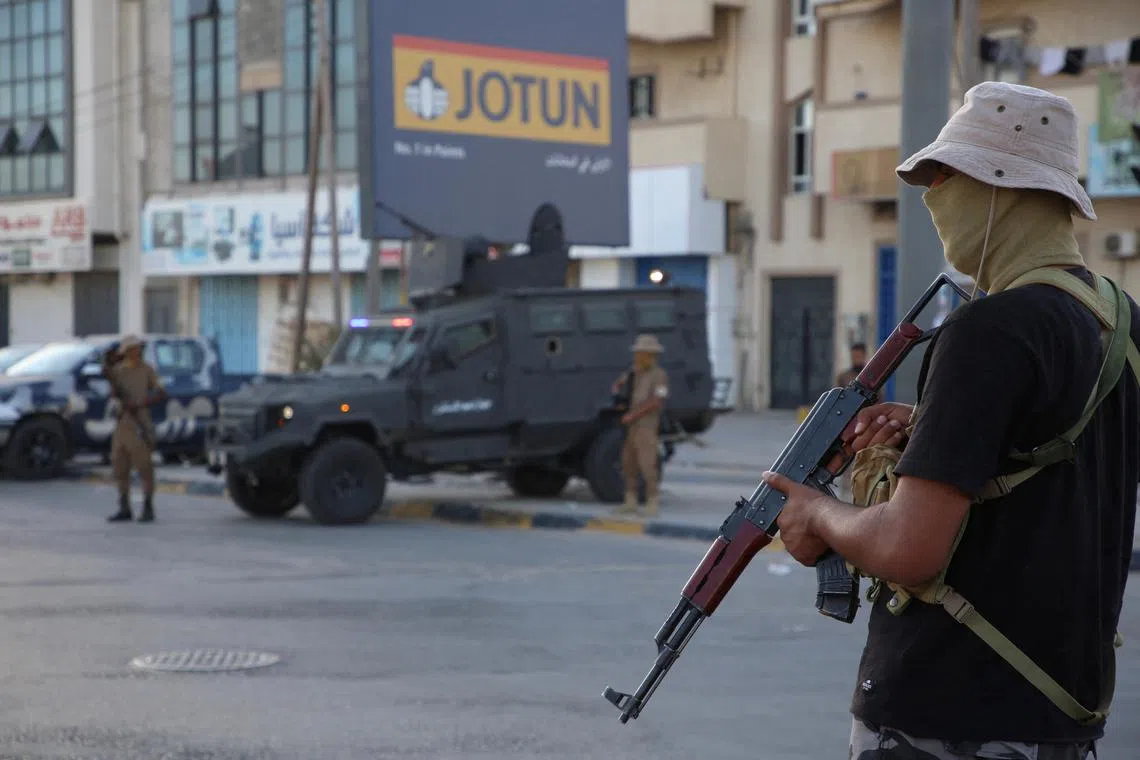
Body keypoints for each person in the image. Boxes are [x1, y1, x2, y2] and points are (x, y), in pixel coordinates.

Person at [762, 81, 1138, 759]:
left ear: (1001, 184)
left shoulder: (988, 329)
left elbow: (910, 549)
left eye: (945, 175)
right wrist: (935, 424)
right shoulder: (1120, 324)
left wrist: (817, 514)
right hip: (1060, 715)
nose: (933, 194)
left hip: (945, 718)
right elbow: (1063, 469)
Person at [104, 335, 167, 523]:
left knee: (144, 467)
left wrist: (140, 403)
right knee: (119, 466)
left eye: (137, 348)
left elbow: (161, 392)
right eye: (131, 349)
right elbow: (113, 393)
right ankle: (124, 506)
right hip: (122, 423)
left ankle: (148, 506)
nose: (135, 352)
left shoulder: (147, 370)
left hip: (140, 421)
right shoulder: (117, 371)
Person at [611, 333, 670, 516]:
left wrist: (634, 415)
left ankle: (652, 502)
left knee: (647, 464)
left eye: (642, 353)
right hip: (631, 427)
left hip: (646, 426)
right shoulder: (633, 373)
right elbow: (618, 388)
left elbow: (657, 401)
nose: (638, 357)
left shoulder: (659, 375)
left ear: (651, 355)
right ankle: (631, 500)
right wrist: (619, 386)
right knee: (628, 463)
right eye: (638, 353)